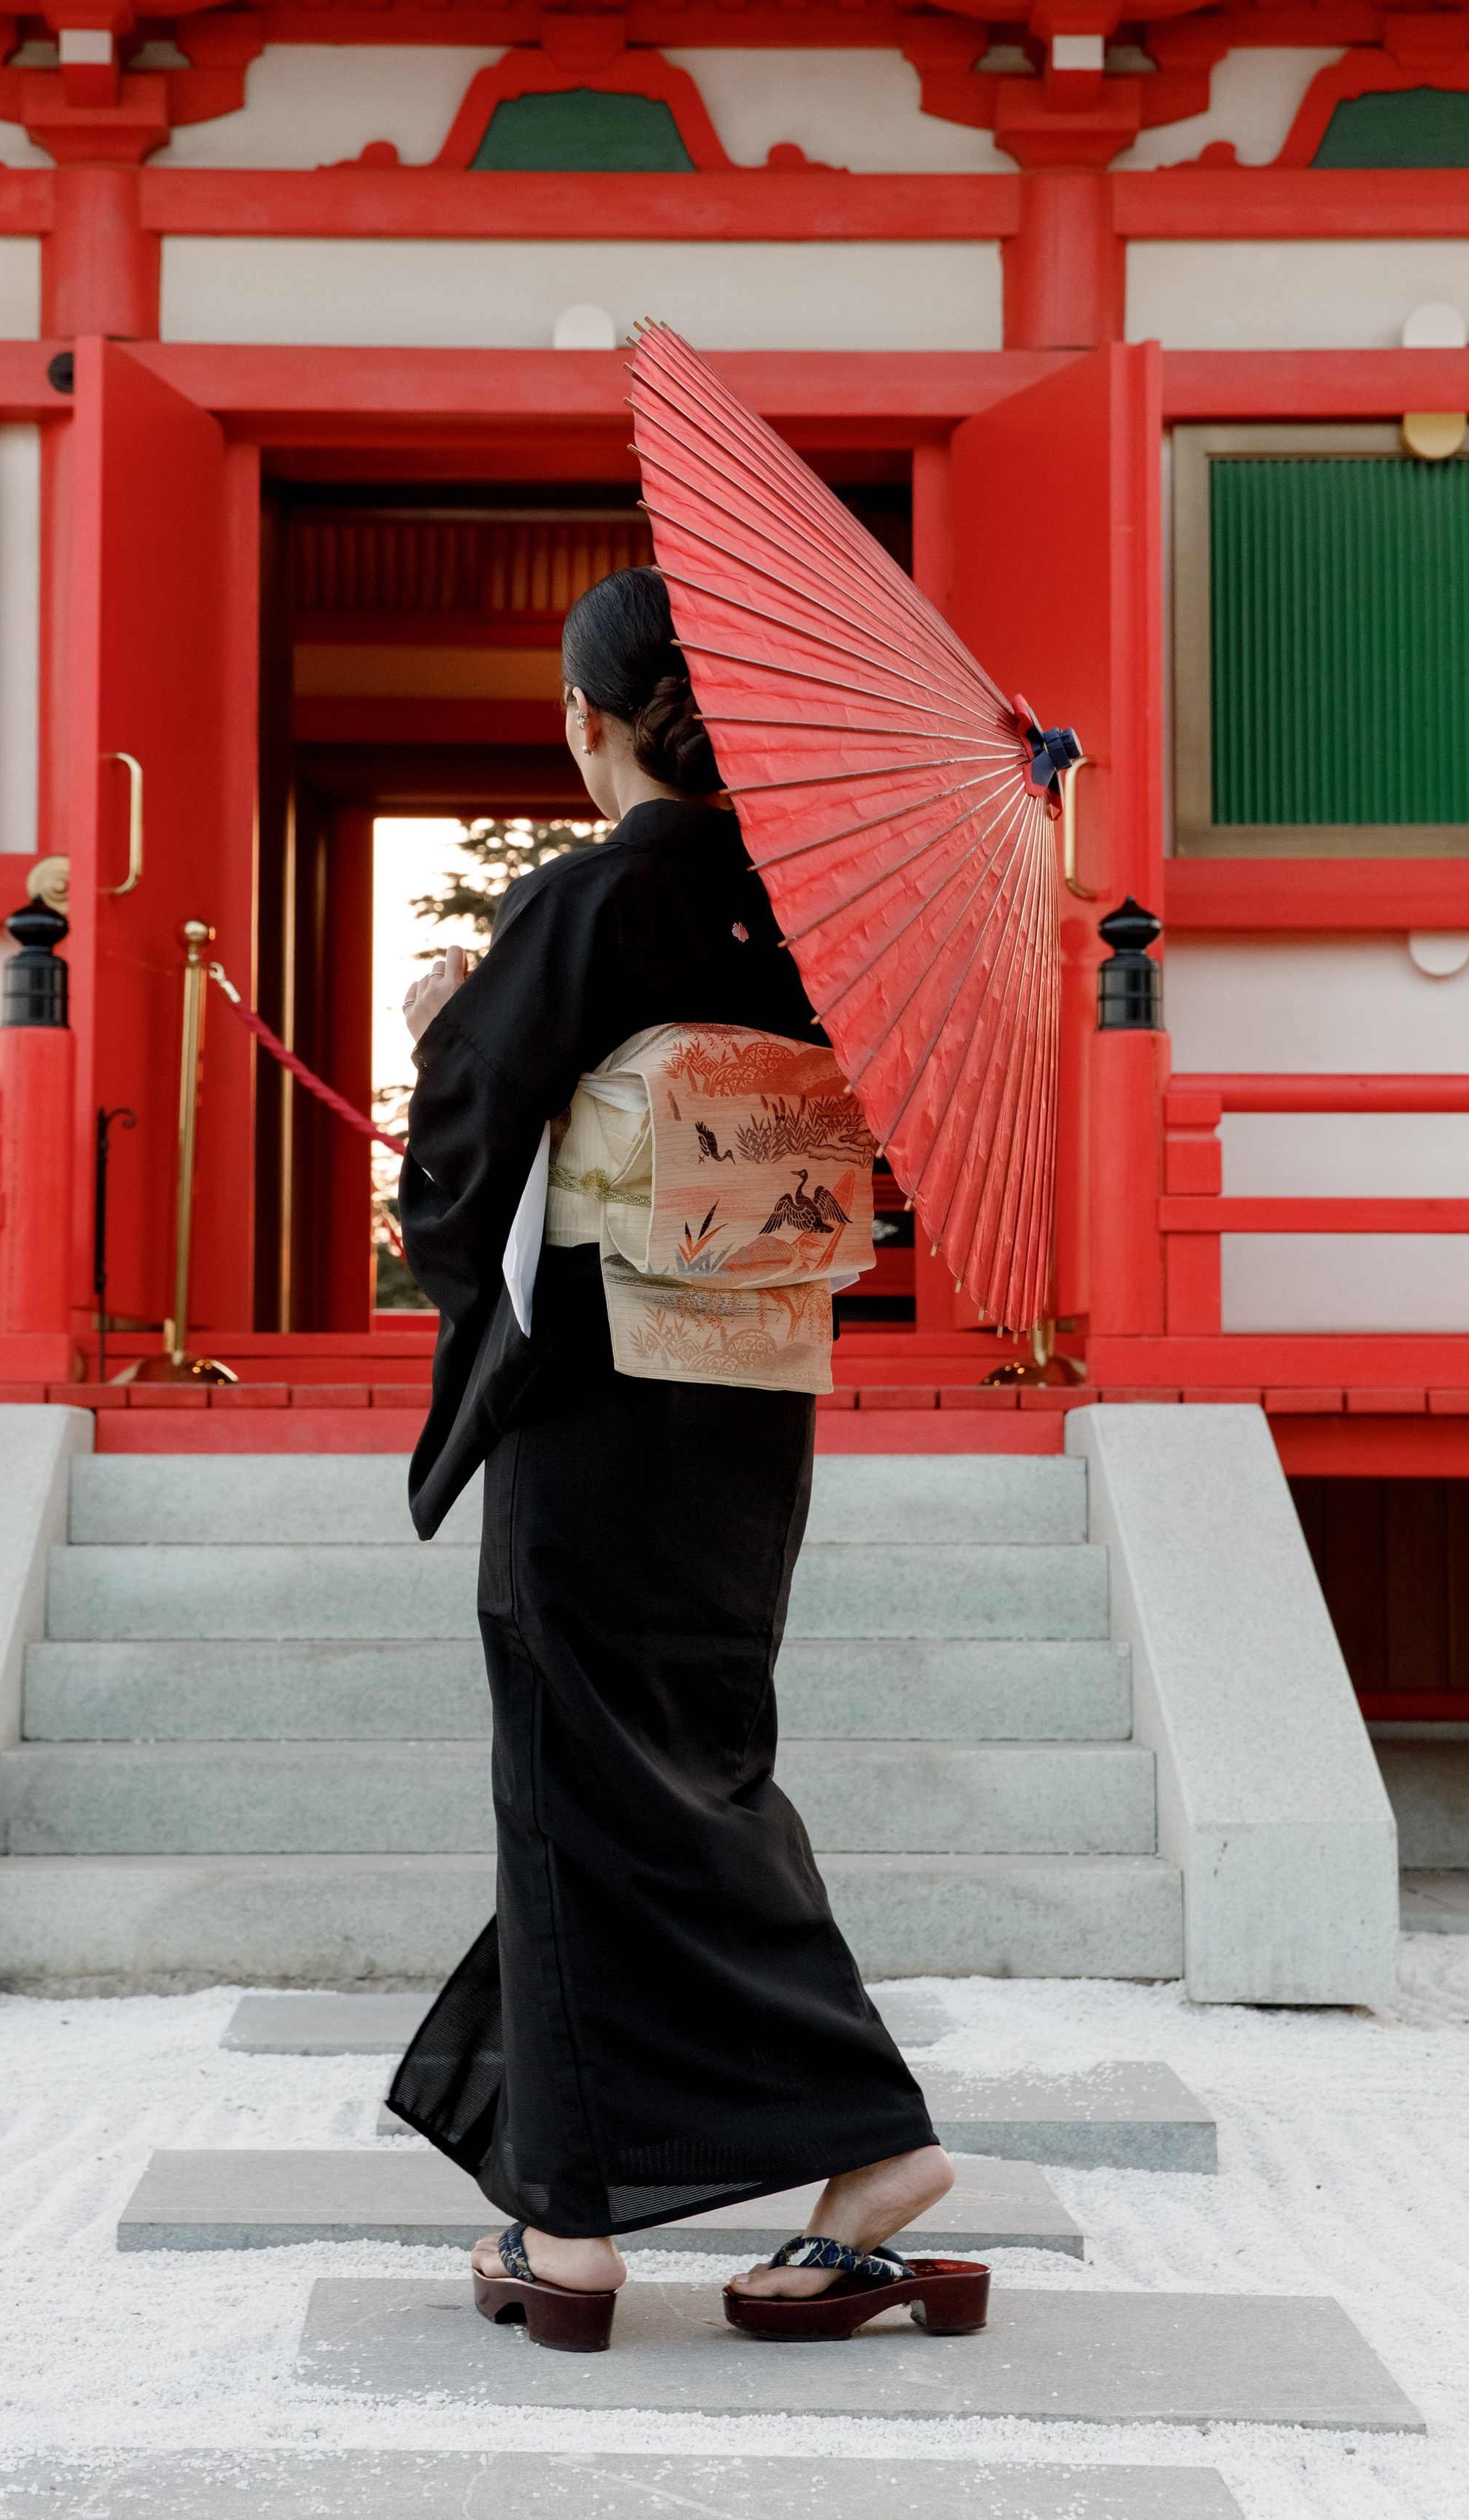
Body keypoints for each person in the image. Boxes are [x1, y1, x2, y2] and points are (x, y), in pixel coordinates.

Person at [386, 563, 956, 2343]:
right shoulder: (811, 914)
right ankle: (598, 2205)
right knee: (687, 1751)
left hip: (605, 1390)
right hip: (752, 1385)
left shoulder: (603, 890)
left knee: (580, 1764)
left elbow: (463, 1154)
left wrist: (437, 1031)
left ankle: (752, 2176)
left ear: (589, 723)